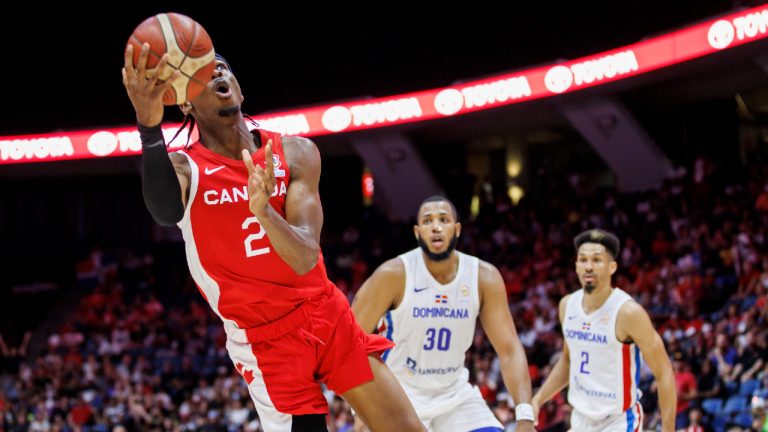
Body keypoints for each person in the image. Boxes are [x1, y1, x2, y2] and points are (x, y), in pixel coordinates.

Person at [121, 42, 424, 432]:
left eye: (221, 68)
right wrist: (148, 128)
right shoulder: (185, 169)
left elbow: (304, 257)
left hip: (326, 314)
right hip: (265, 340)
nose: (216, 74)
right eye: (201, 74)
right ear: (185, 104)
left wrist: (264, 212)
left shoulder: (296, 153)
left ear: (240, 89)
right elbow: (164, 212)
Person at [351, 195, 536, 431]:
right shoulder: (393, 274)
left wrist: (525, 416)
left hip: (455, 397)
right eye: (427, 221)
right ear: (417, 232)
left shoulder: (483, 277)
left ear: (457, 229)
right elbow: (349, 343)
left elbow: (509, 349)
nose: (436, 227)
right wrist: (361, 408)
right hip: (398, 396)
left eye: (443, 220)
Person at [531, 229, 676, 432]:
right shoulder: (567, 305)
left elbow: (664, 372)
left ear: (612, 267)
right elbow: (568, 360)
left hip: (618, 422)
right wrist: (538, 399)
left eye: (597, 260)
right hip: (579, 420)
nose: (589, 266)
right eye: (583, 260)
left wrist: (668, 429)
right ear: (576, 266)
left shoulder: (628, 312)